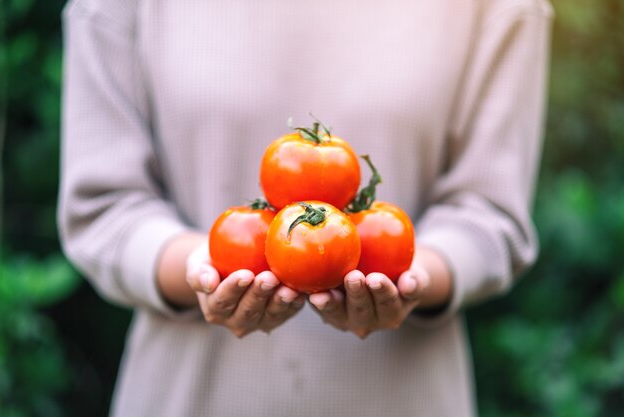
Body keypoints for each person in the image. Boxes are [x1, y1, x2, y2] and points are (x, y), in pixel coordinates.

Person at [58, 0, 553, 416]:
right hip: (188, 396)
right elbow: (103, 207)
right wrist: (202, 269)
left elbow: (491, 211)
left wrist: (417, 274)